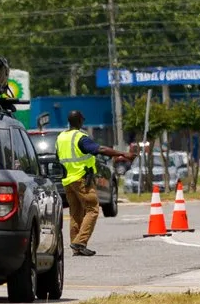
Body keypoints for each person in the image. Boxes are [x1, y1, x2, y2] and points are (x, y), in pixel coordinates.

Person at [55, 110, 138, 256]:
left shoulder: (61, 137)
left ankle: (76, 246)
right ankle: (80, 242)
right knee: (92, 209)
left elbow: (58, 157)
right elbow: (100, 149)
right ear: (80, 121)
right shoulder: (80, 137)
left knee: (76, 213)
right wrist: (123, 154)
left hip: (68, 180)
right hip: (81, 179)